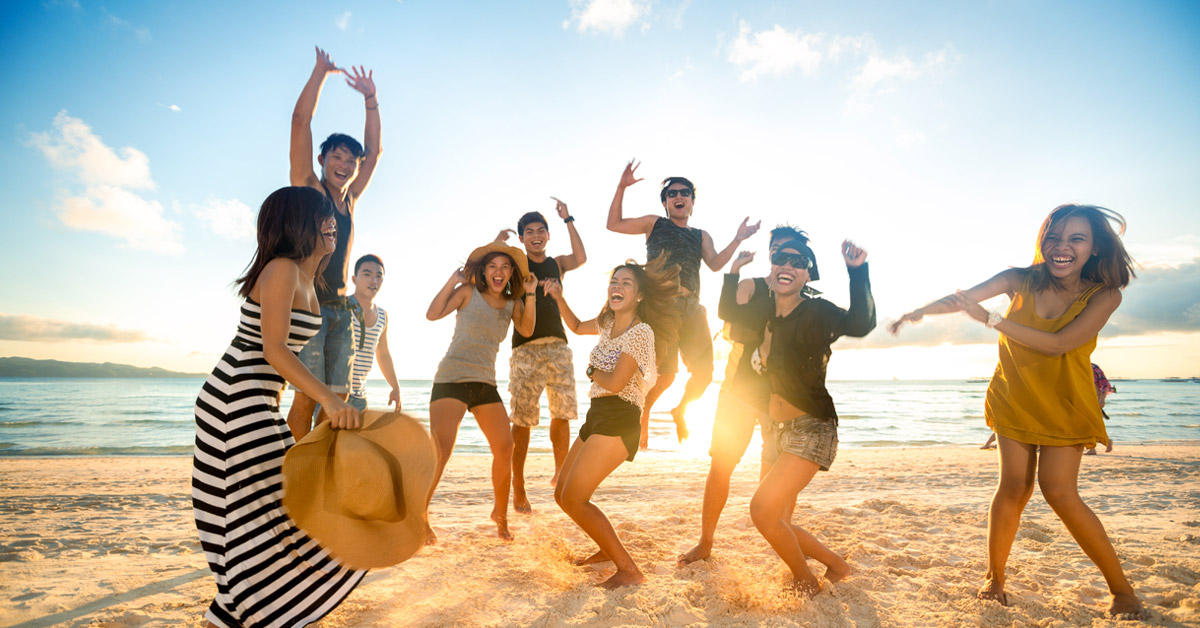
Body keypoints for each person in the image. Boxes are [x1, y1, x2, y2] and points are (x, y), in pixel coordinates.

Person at [890, 204, 1143, 619]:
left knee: (1059, 492)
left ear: (1095, 249)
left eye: (1076, 239)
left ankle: (1122, 590)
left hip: (1064, 402)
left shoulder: (1104, 295)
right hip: (1014, 395)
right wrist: (918, 311)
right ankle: (995, 579)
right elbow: (963, 299)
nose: (1062, 247)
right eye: (1054, 237)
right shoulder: (1018, 278)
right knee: (1012, 488)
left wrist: (991, 320)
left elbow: (1059, 344)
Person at [193, 186, 364, 628]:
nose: (332, 224)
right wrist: (327, 397)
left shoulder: (310, 276)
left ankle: (235, 614)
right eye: (322, 217)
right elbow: (273, 350)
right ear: (297, 225)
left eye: (333, 218)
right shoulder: (283, 268)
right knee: (271, 507)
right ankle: (252, 609)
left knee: (271, 509)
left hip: (257, 396)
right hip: (236, 395)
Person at [723, 238, 873, 596]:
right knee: (776, 519)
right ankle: (836, 564)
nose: (786, 265)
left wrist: (858, 272)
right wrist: (732, 272)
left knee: (761, 511)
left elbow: (861, 322)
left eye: (797, 261)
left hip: (811, 427)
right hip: (775, 432)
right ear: (771, 268)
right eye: (780, 259)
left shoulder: (817, 312)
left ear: (807, 275)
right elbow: (728, 311)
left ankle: (807, 581)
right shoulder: (768, 317)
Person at [678, 226, 812, 565]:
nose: (786, 259)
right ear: (770, 254)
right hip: (739, 388)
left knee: (777, 475)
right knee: (721, 465)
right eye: (779, 250)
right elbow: (731, 326)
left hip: (782, 397)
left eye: (794, 255)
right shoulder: (751, 285)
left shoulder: (804, 297)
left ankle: (782, 535)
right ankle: (706, 542)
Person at [546, 256, 681, 588]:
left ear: (639, 296)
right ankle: (606, 550)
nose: (617, 287)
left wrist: (591, 371)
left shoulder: (641, 332)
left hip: (620, 416)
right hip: (597, 414)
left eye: (626, 283)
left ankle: (629, 570)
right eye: (614, 281)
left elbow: (617, 382)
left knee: (576, 498)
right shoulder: (607, 323)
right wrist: (558, 296)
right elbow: (577, 327)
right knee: (562, 494)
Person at [606, 160, 760, 448]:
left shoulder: (700, 235)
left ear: (691, 202)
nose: (679, 197)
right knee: (666, 375)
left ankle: (680, 409)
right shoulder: (655, 224)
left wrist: (738, 239)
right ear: (665, 202)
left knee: (704, 375)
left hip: (692, 308)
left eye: (685, 193)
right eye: (673, 193)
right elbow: (613, 224)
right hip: (661, 306)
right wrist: (621, 187)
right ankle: (645, 412)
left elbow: (714, 264)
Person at [286, 45, 383, 441]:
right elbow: (299, 122)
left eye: (350, 161)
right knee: (308, 399)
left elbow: (375, 152)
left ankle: (319, 470)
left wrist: (371, 101)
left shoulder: (350, 199)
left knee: (338, 398)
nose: (344, 165)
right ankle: (289, 472)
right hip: (308, 307)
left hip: (342, 309)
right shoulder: (310, 189)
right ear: (323, 158)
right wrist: (320, 73)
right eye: (337, 157)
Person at [424, 243, 538, 543]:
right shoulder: (467, 293)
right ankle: (419, 514)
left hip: (485, 383)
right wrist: (453, 280)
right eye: (492, 266)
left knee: (504, 448)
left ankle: (500, 516)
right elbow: (432, 315)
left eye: (505, 267)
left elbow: (526, 330)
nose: (498, 272)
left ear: (511, 273)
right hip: (451, 378)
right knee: (442, 450)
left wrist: (531, 293)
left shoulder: (514, 304)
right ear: (484, 272)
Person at [495, 199, 588, 512]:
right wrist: (498, 243)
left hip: (558, 346)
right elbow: (486, 268)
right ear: (521, 238)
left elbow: (581, 257)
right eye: (529, 232)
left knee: (562, 414)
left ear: (548, 235)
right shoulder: (516, 267)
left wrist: (568, 219)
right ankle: (518, 486)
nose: (536, 235)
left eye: (541, 230)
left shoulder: (557, 264)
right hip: (525, 349)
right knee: (522, 421)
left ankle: (561, 475)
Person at [347, 254, 400, 412]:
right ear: (354, 279)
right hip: (334, 394)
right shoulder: (341, 307)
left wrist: (395, 387)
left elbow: (383, 354)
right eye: (367, 274)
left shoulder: (382, 316)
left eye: (379, 276)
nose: (374, 281)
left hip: (360, 397)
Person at [1085, 363, 1116, 455]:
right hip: (1083, 400)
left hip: (1094, 400)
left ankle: (1095, 447)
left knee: (1091, 424)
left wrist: (1102, 399)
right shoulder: (1074, 365)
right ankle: (1105, 441)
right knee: (1090, 424)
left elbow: (1105, 384)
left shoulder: (1093, 367)